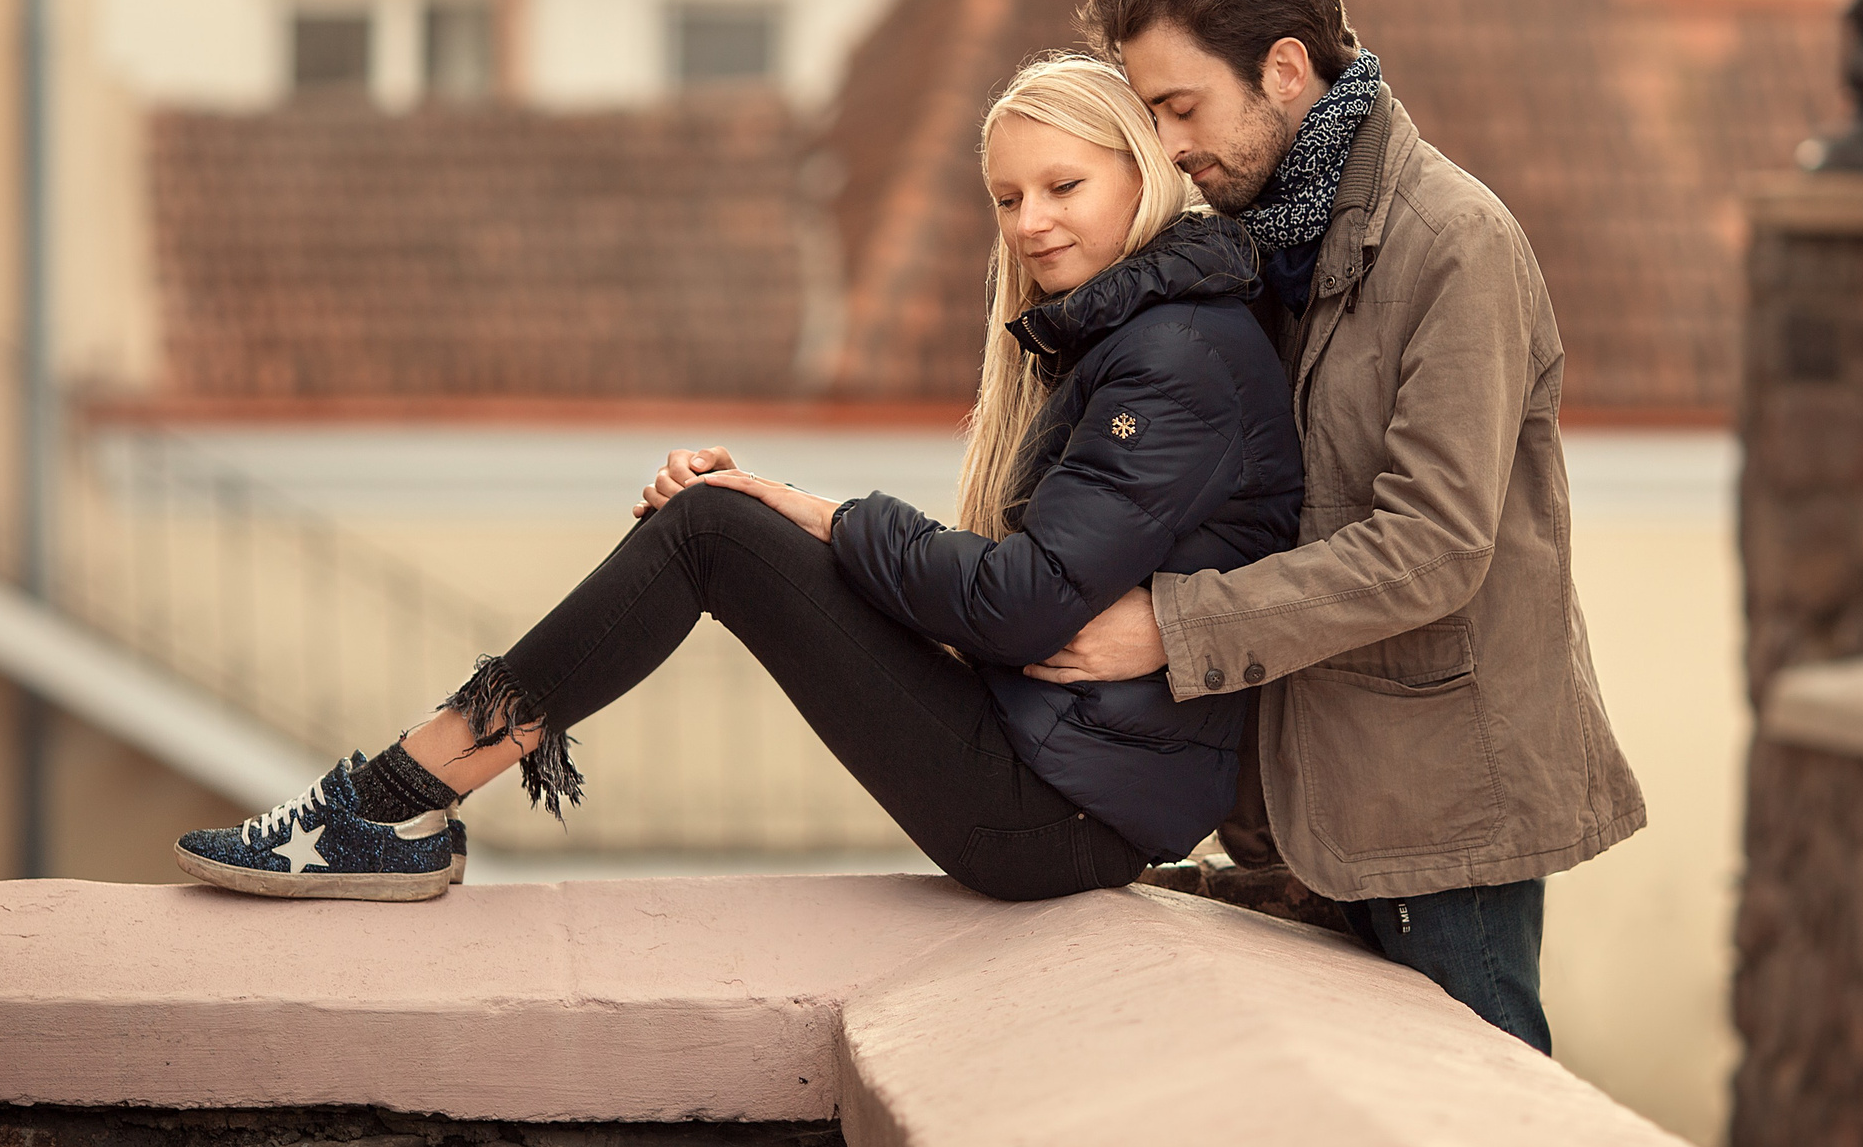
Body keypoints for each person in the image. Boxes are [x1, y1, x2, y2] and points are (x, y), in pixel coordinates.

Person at [174, 55, 1302, 904]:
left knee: (713, 527)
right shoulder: (1138, 337)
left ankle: (392, 804)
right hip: (1063, 783)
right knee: (718, 522)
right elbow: (1023, 597)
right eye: (1009, 200)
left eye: (1063, 185)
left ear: (1143, 173)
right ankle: (399, 801)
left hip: (1060, 817)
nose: (1032, 223)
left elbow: (1019, 604)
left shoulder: (1173, 357)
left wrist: (808, 513)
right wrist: (786, 512)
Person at [1029, 0, 1647, 1052]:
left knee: (1478, 1134)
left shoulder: (1453, 242)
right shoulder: (1256, 243)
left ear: (1283, 69)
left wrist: (1170, 628)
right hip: (1312, 810)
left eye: (1179, 107)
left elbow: (1430, 550)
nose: (1166, 145)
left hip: (1440, 821)